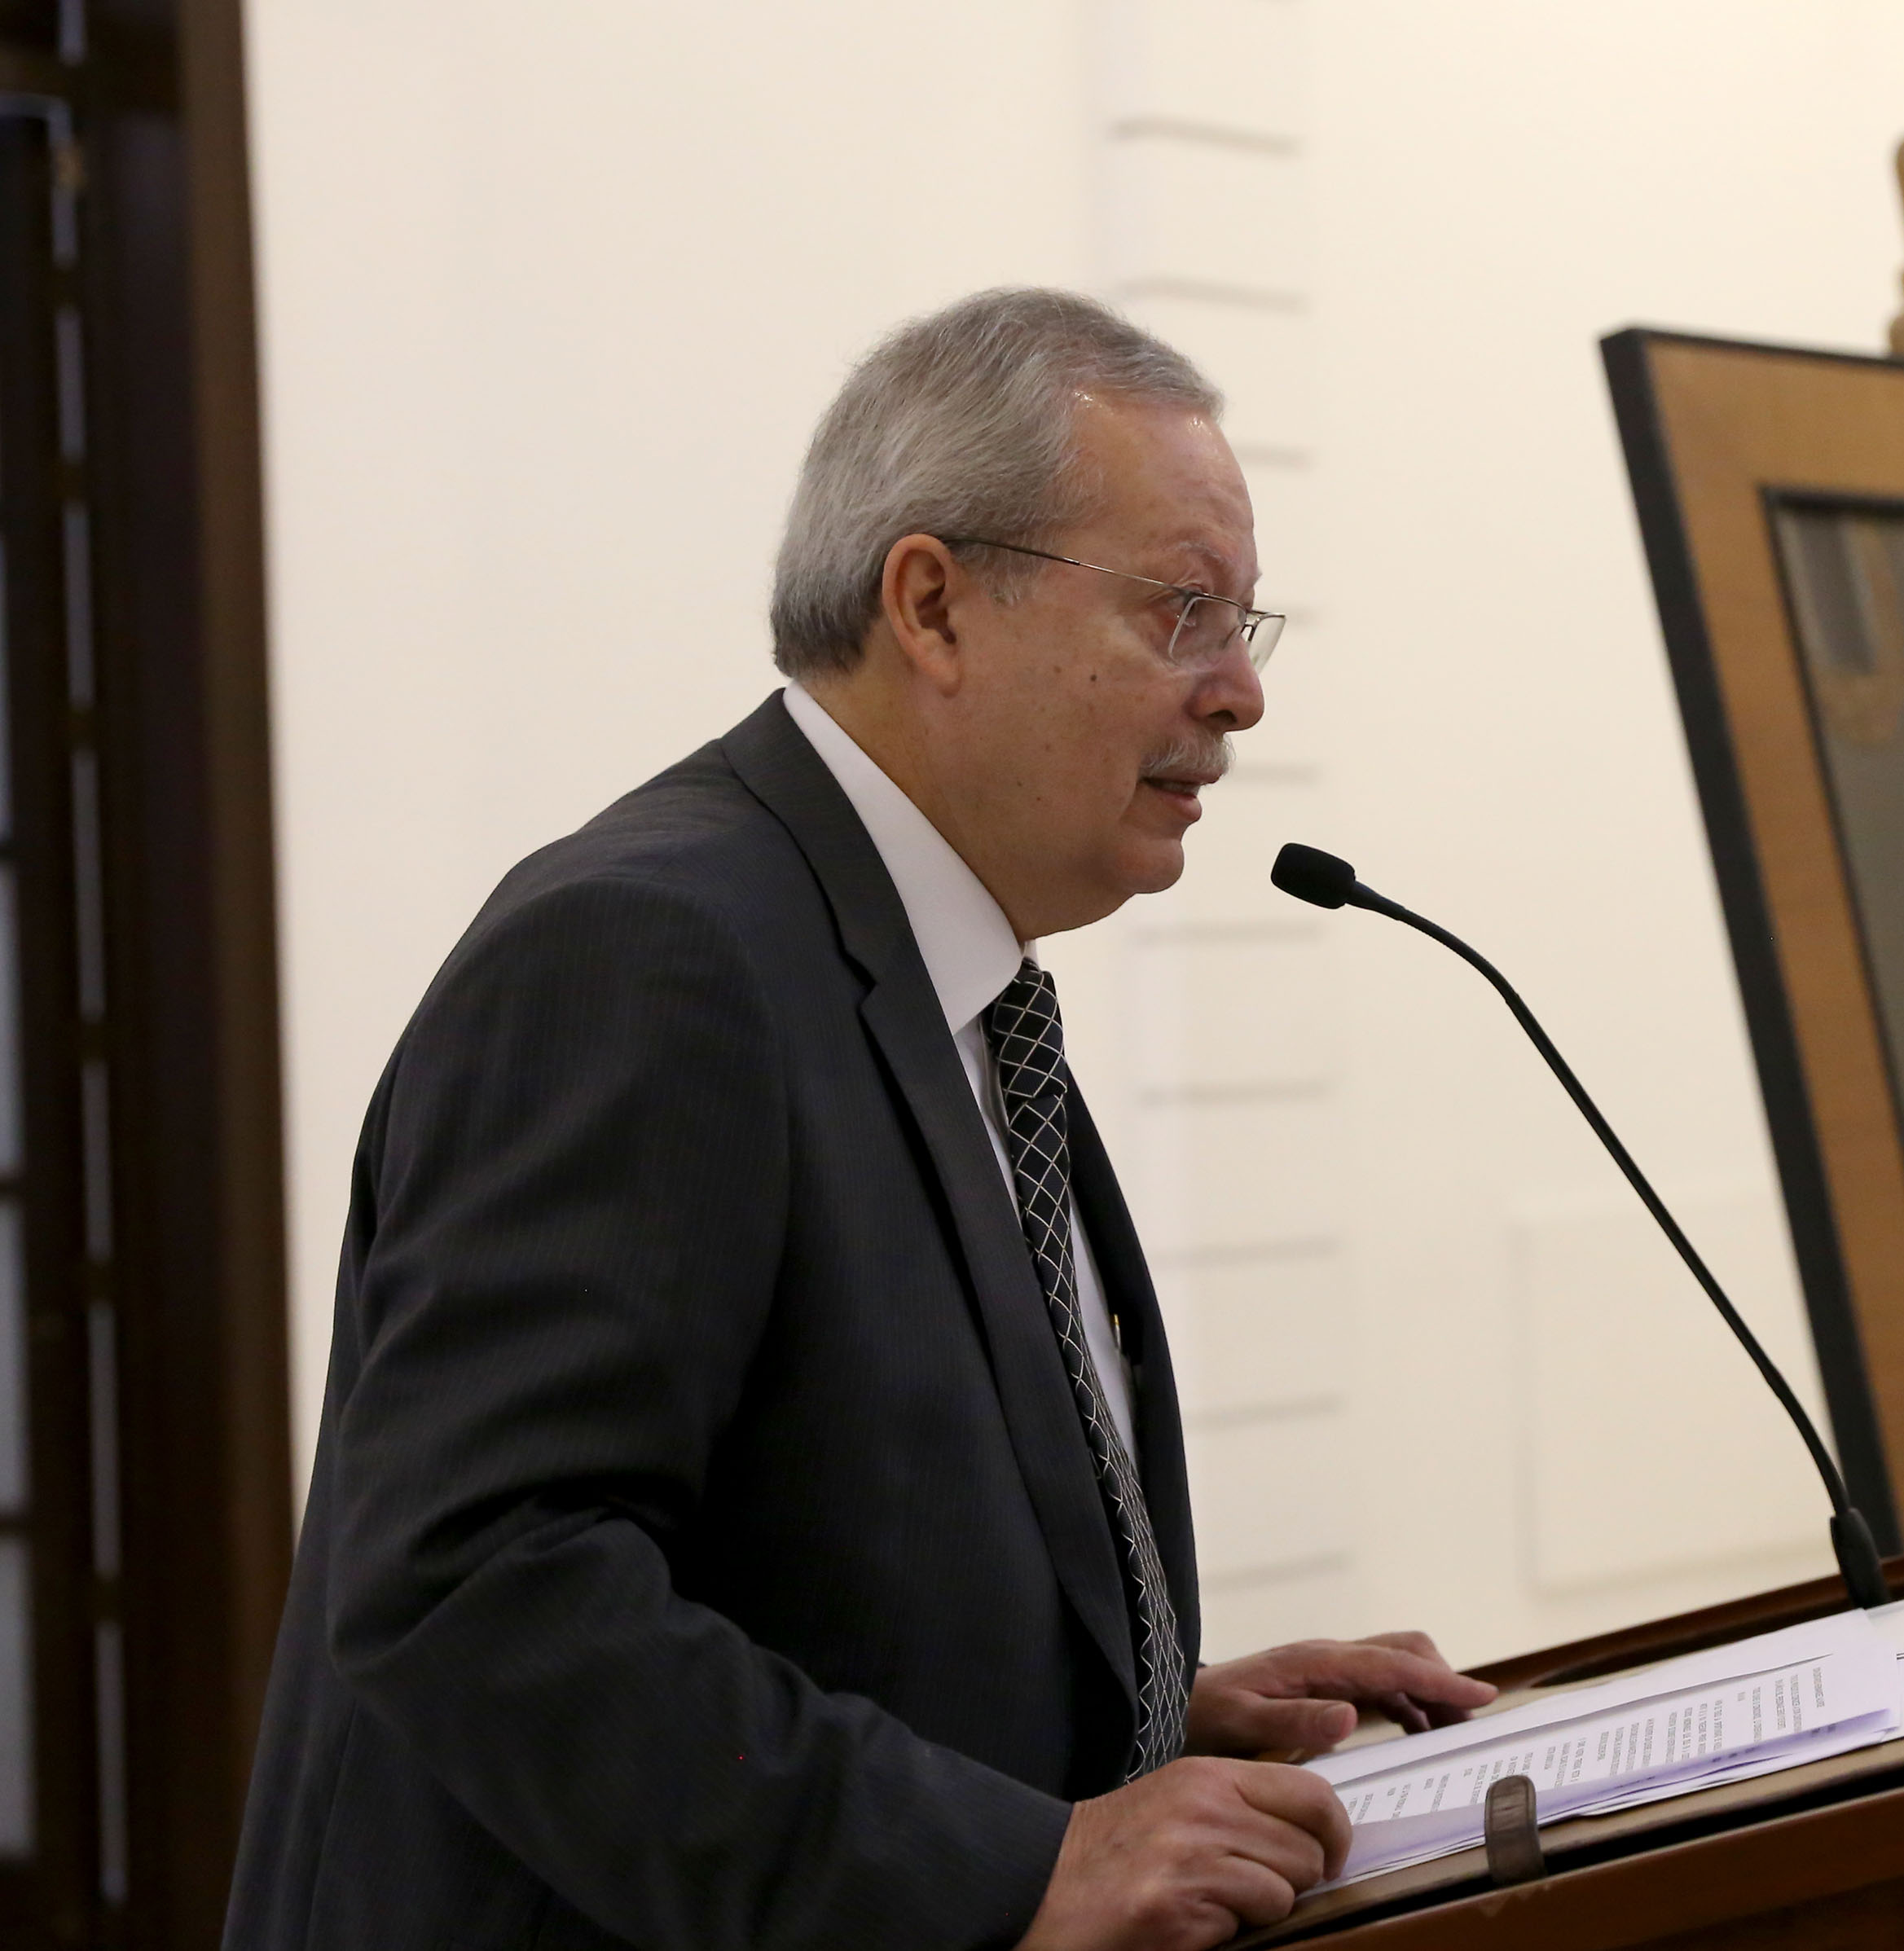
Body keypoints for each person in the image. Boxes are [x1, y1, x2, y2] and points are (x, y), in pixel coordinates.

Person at [226, 289, 1495, 1951]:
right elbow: (477, 1579)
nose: (1239, 695)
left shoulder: (943, 973)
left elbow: (817, 1536)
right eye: (1182, 610)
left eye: (1244, 626)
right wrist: (1015, 1866)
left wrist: (1133, 1716)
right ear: (932, 605)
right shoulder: (650, 952)